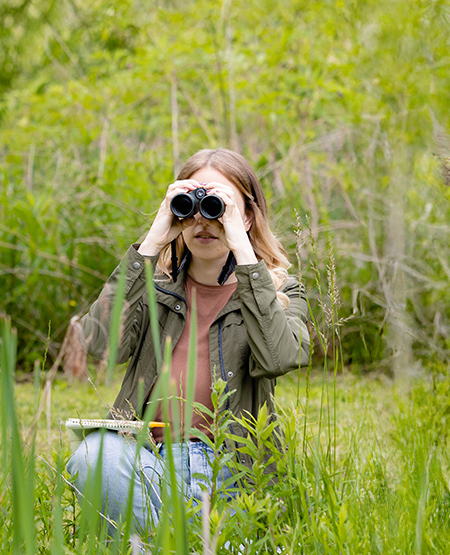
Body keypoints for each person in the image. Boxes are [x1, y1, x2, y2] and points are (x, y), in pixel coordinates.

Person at [65, 148, 310, 532]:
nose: (203, 220)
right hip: (150, 460)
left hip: (229, 469)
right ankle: (188, 552)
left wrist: (244, 255)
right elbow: (99, 342)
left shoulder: (280, 292)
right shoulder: (153, 288)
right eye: (190, 205)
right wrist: (151, 243)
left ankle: (162, 554)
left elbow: (280, 356)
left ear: (247, 215)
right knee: (93, 456)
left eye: (218, 205)